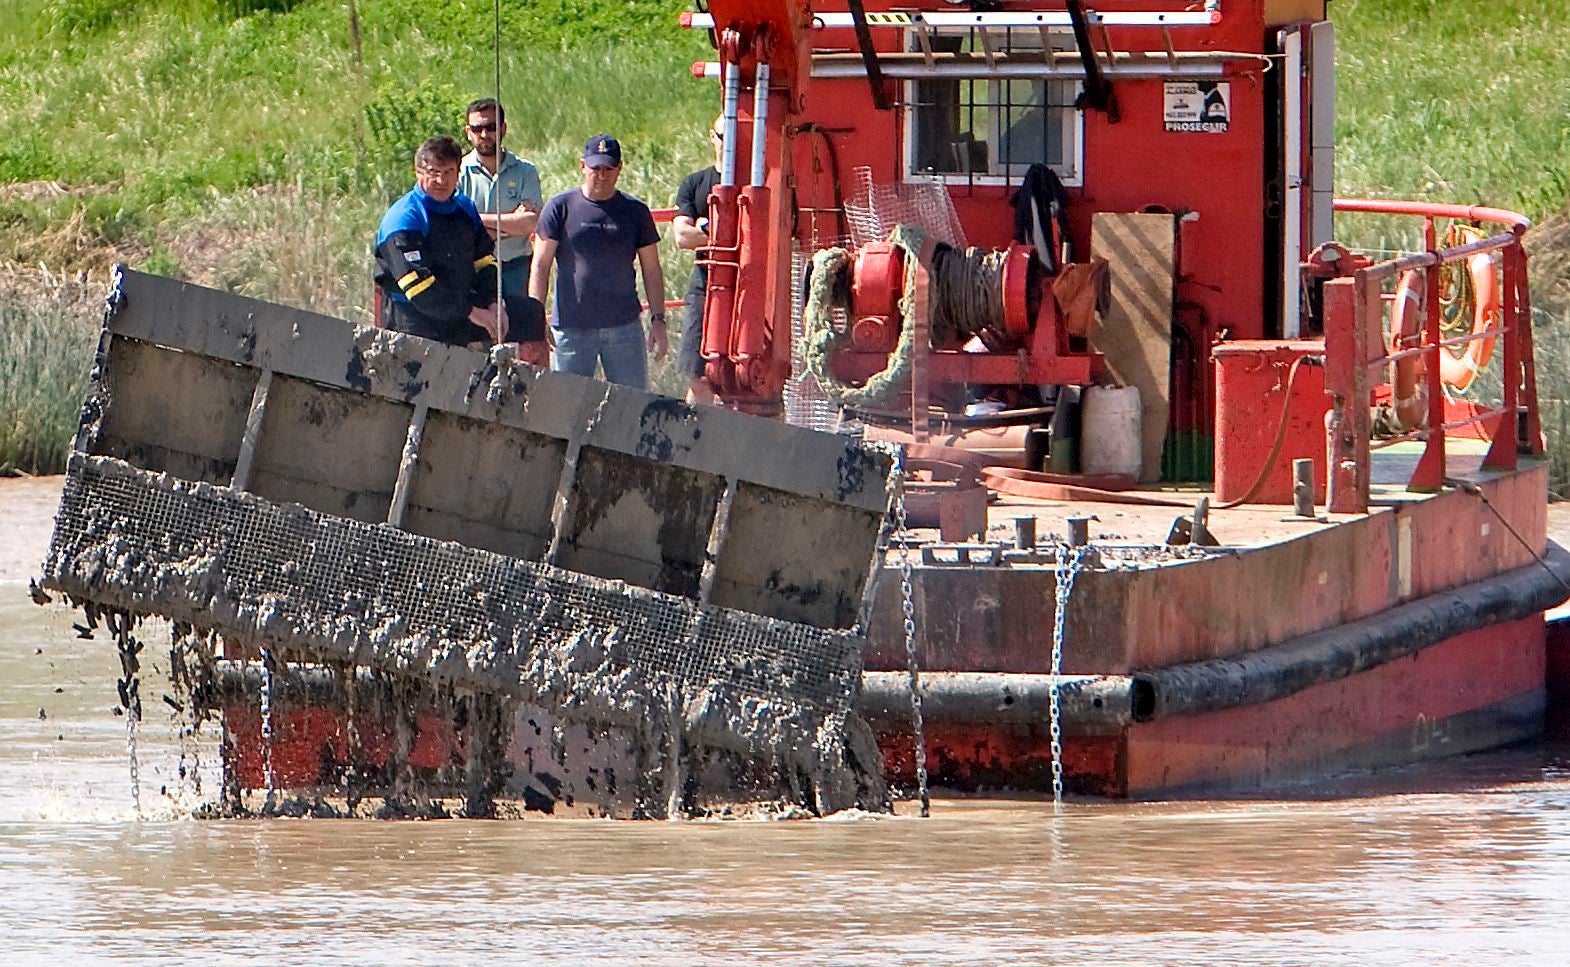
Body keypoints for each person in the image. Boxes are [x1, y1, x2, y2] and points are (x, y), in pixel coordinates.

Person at [530, 134, 668, 389]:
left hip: (623, 327)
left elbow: (652, 269)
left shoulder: (635, 211)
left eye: (608, 168)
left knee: (631, 405)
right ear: (583, 166)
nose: (602, 175)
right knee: (567, 405)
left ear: (619, 169)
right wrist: (536, 317)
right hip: (571, 328)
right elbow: (540, 264)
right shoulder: (560, 207)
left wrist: (658, 319)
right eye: (595, 168)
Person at [375, 136, 505, 347]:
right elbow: (417, 286)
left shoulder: (466, 208)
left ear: (458, 173)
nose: (441, 181)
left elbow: (485, 260)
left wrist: (493, 302)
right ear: (417, 172)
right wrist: (472, 312)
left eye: (448, 172)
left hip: (460, 319)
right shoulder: (404, 218)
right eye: (433, 173)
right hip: (412, 323)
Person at [670, 118, 724, 404]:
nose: (728, 144)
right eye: (722, 137)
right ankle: (692, 443)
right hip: (703, 286)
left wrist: (704, 227)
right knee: (698, 377)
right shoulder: (694, 184)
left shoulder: (758, 182)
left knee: (747, 380)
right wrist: (715, 233)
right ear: (711, 137)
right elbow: (681, 236)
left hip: (747, 289)